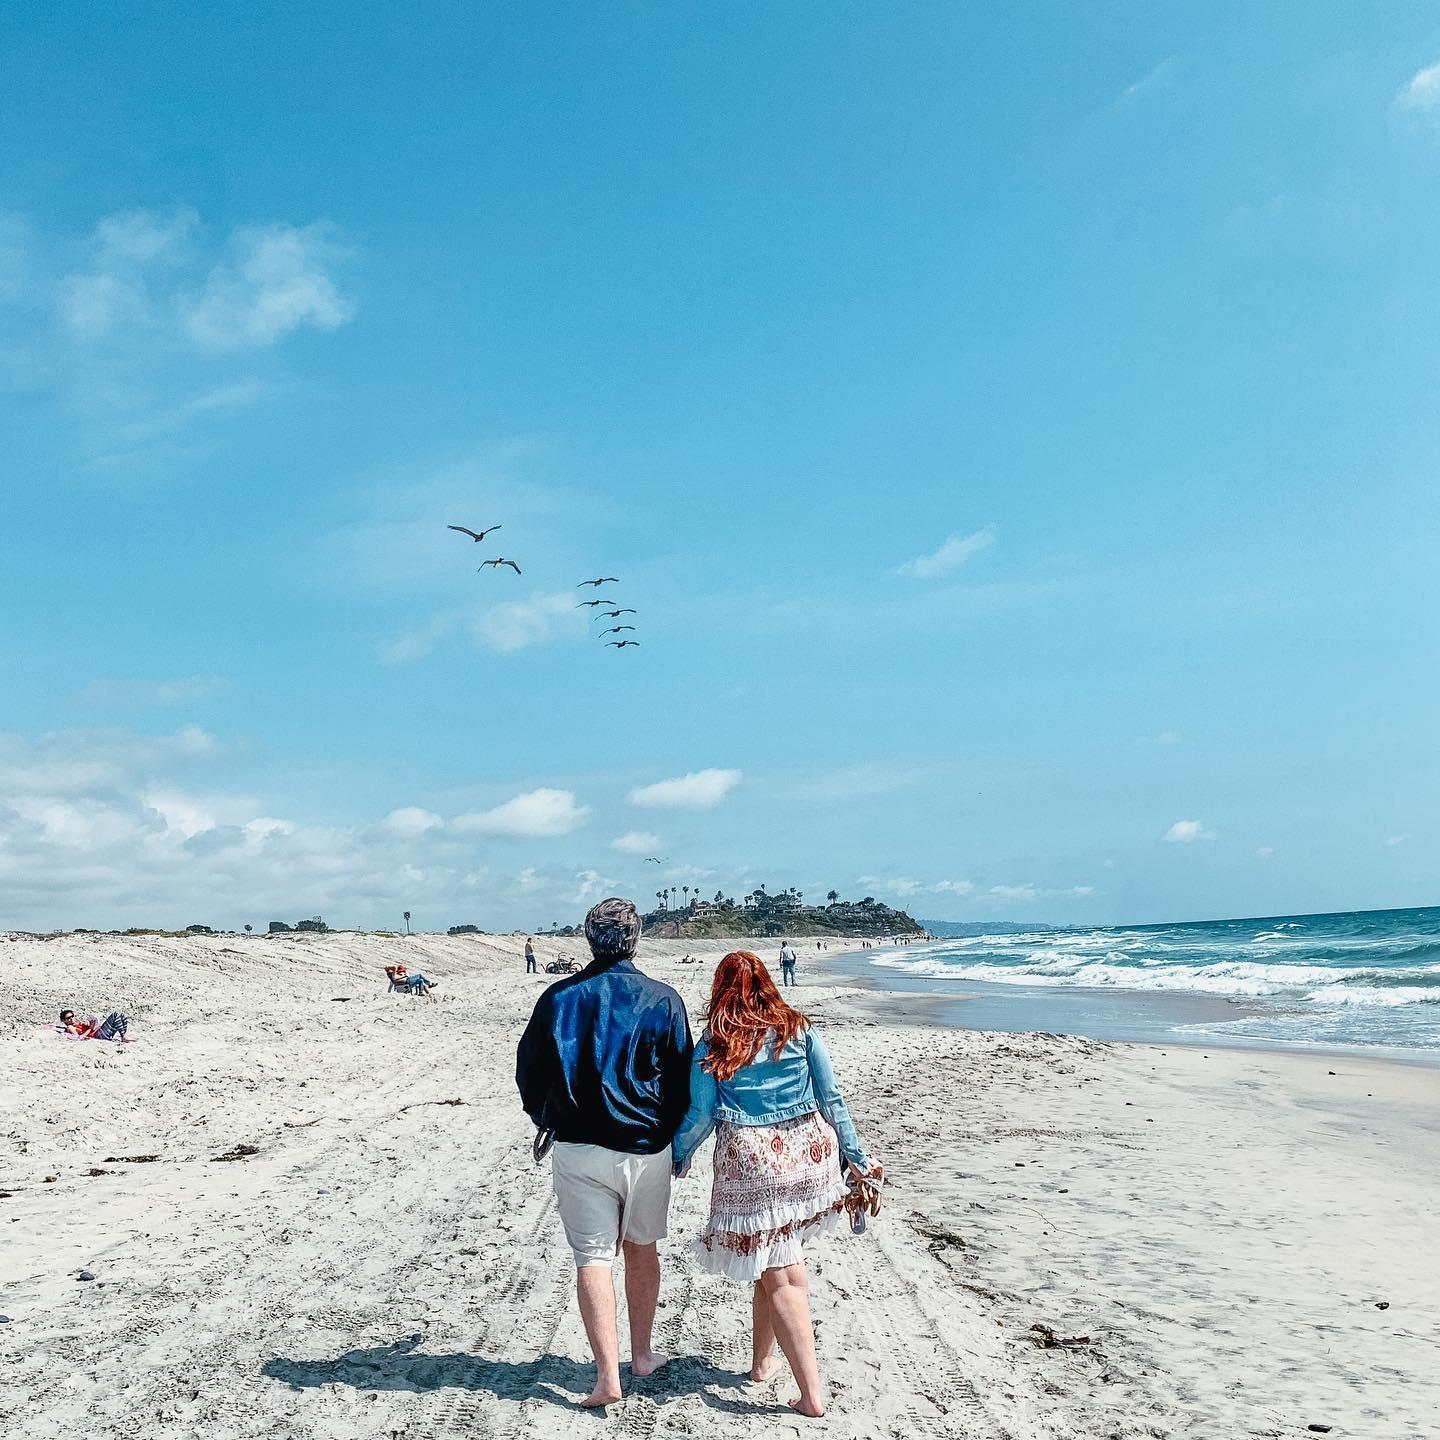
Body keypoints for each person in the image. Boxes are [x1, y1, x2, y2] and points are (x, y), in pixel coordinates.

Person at [671, 951, 874, 1419]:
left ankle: (811, 1395)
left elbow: (701, 1115)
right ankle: (762, 1363)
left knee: (781, 1269)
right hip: (808, 1157)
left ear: (720, 991)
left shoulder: (714, 1043)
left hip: (754, 1164)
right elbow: (832, 1097)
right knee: (772, 1255)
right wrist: (855, 1158)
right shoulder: (797, 1029)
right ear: (768, 984)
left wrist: (678, 1156)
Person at [516, 897, 693, 1407]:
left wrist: (544, 1117)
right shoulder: (663, 999)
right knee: (642, 1248)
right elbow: (682, 1081)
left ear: (589, 938)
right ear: (635, 937)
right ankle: (639, 1355)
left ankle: (607, 1379)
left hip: (578, 1146)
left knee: (592, 1259)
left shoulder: (560, 997)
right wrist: (675, 1138)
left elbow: (529, 1071)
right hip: (645, 1148)